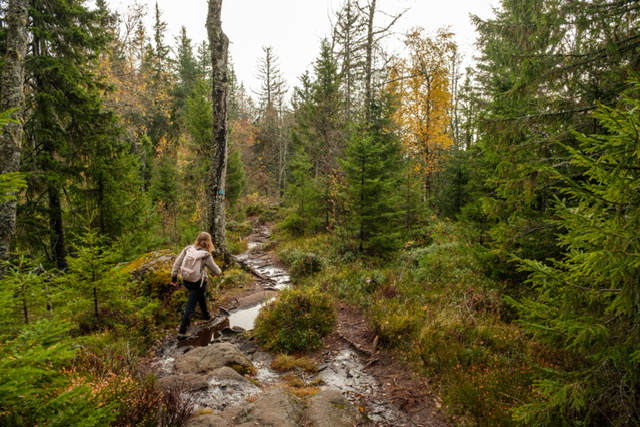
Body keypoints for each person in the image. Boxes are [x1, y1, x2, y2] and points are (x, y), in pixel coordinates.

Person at [171, 231, 222, 339]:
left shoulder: (188, 249)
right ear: (209, 242)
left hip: (186, 280)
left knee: (200, 294)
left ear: (197, 240)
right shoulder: (205, 255)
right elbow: (215, 270)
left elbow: (177, 263)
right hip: (197, 282)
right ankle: (182, 332)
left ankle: (206, 315)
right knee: (190, 307)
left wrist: (174, 278)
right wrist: (219, 273)